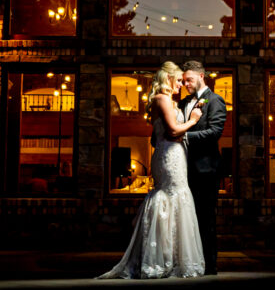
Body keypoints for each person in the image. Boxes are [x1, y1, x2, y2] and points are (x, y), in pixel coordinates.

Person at [97, 62, 206, 279]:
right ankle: (157, 259)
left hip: (176, 155)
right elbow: (173, 130)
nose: (181, 85)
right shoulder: (161, 99)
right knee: (170, 196)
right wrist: (193, 121)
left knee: (178, 198)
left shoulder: (168, 100)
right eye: (178, 81)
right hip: (169, 157)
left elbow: (158, 136)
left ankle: (173, 258)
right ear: (168, 78)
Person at [176, 60, 227, 276]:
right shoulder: (185, 102)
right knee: (187, 219)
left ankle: (209, 266)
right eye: (184, 80)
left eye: (189, 79)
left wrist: (184, 136)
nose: (186, 84)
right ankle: (191, 263)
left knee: (205, 219)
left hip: (206, 171)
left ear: (201, 76)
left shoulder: (216, 101)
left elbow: (215, 132)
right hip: (184, 170)